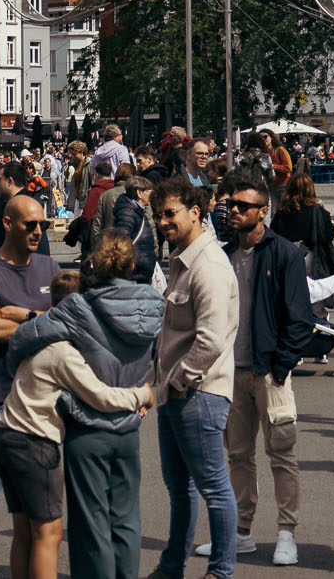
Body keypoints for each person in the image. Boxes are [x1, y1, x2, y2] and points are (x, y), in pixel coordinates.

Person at [5, 232, 162, 579]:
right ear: (132, 264)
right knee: (126, 520)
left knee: (91, 524)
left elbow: (22, 338)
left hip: (87, 425)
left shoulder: (79, 306)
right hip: (128, 421)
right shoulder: (154, 303)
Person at [203, 173, 311, 566]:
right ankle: (241, 531)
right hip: (231, 371)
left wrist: (280, 367)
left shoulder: (283, 253)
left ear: (262, 211)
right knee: (238, 455)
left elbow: (299, 318)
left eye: (242, 206)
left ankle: (287, 533)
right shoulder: (224, 253)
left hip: (269, 372)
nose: (232, 211)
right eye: (230, 205)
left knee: (281, 453)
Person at [0, 191, 61, 579]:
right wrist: (45, 322)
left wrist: (25, 315)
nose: (38, 231)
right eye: (29, 224)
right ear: (8, 223)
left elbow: (71, 324)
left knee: (35, 509)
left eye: (43, 224)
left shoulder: (50, 266)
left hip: (42, 403)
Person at [150, 177, 241, 579]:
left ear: (195, 213)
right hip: (179, 392)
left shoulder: (209, 265)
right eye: (158, 215)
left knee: (214, 489)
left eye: (170, 213)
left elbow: (210, 340)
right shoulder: (183, 258)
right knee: (181, 489)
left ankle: (221, 572)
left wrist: (177, 381)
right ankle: (172, 568)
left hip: (198, 393)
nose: (163, 221)